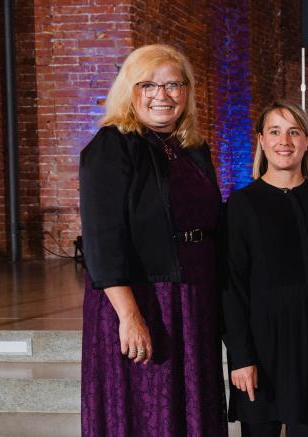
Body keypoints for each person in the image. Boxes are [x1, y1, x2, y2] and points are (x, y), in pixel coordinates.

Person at [79, 44, 226, 437]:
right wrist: (129, 316)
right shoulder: (112, 146)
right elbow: (101, 239)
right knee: (147, 409)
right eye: (149, 85)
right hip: (143, 299)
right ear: (130, 90)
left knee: (192, 404)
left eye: (174, 85)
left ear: (187, 91)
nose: (162, 95)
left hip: (193, 297)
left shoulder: (192, 147)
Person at [224, 101, 308, 436]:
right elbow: (231, 286)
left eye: (294, 131)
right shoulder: (242, 204)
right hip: (262, 348)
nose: (285, 140)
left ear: (307, 140)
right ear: (261, 140)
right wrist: (240, 357)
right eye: (275, 131)